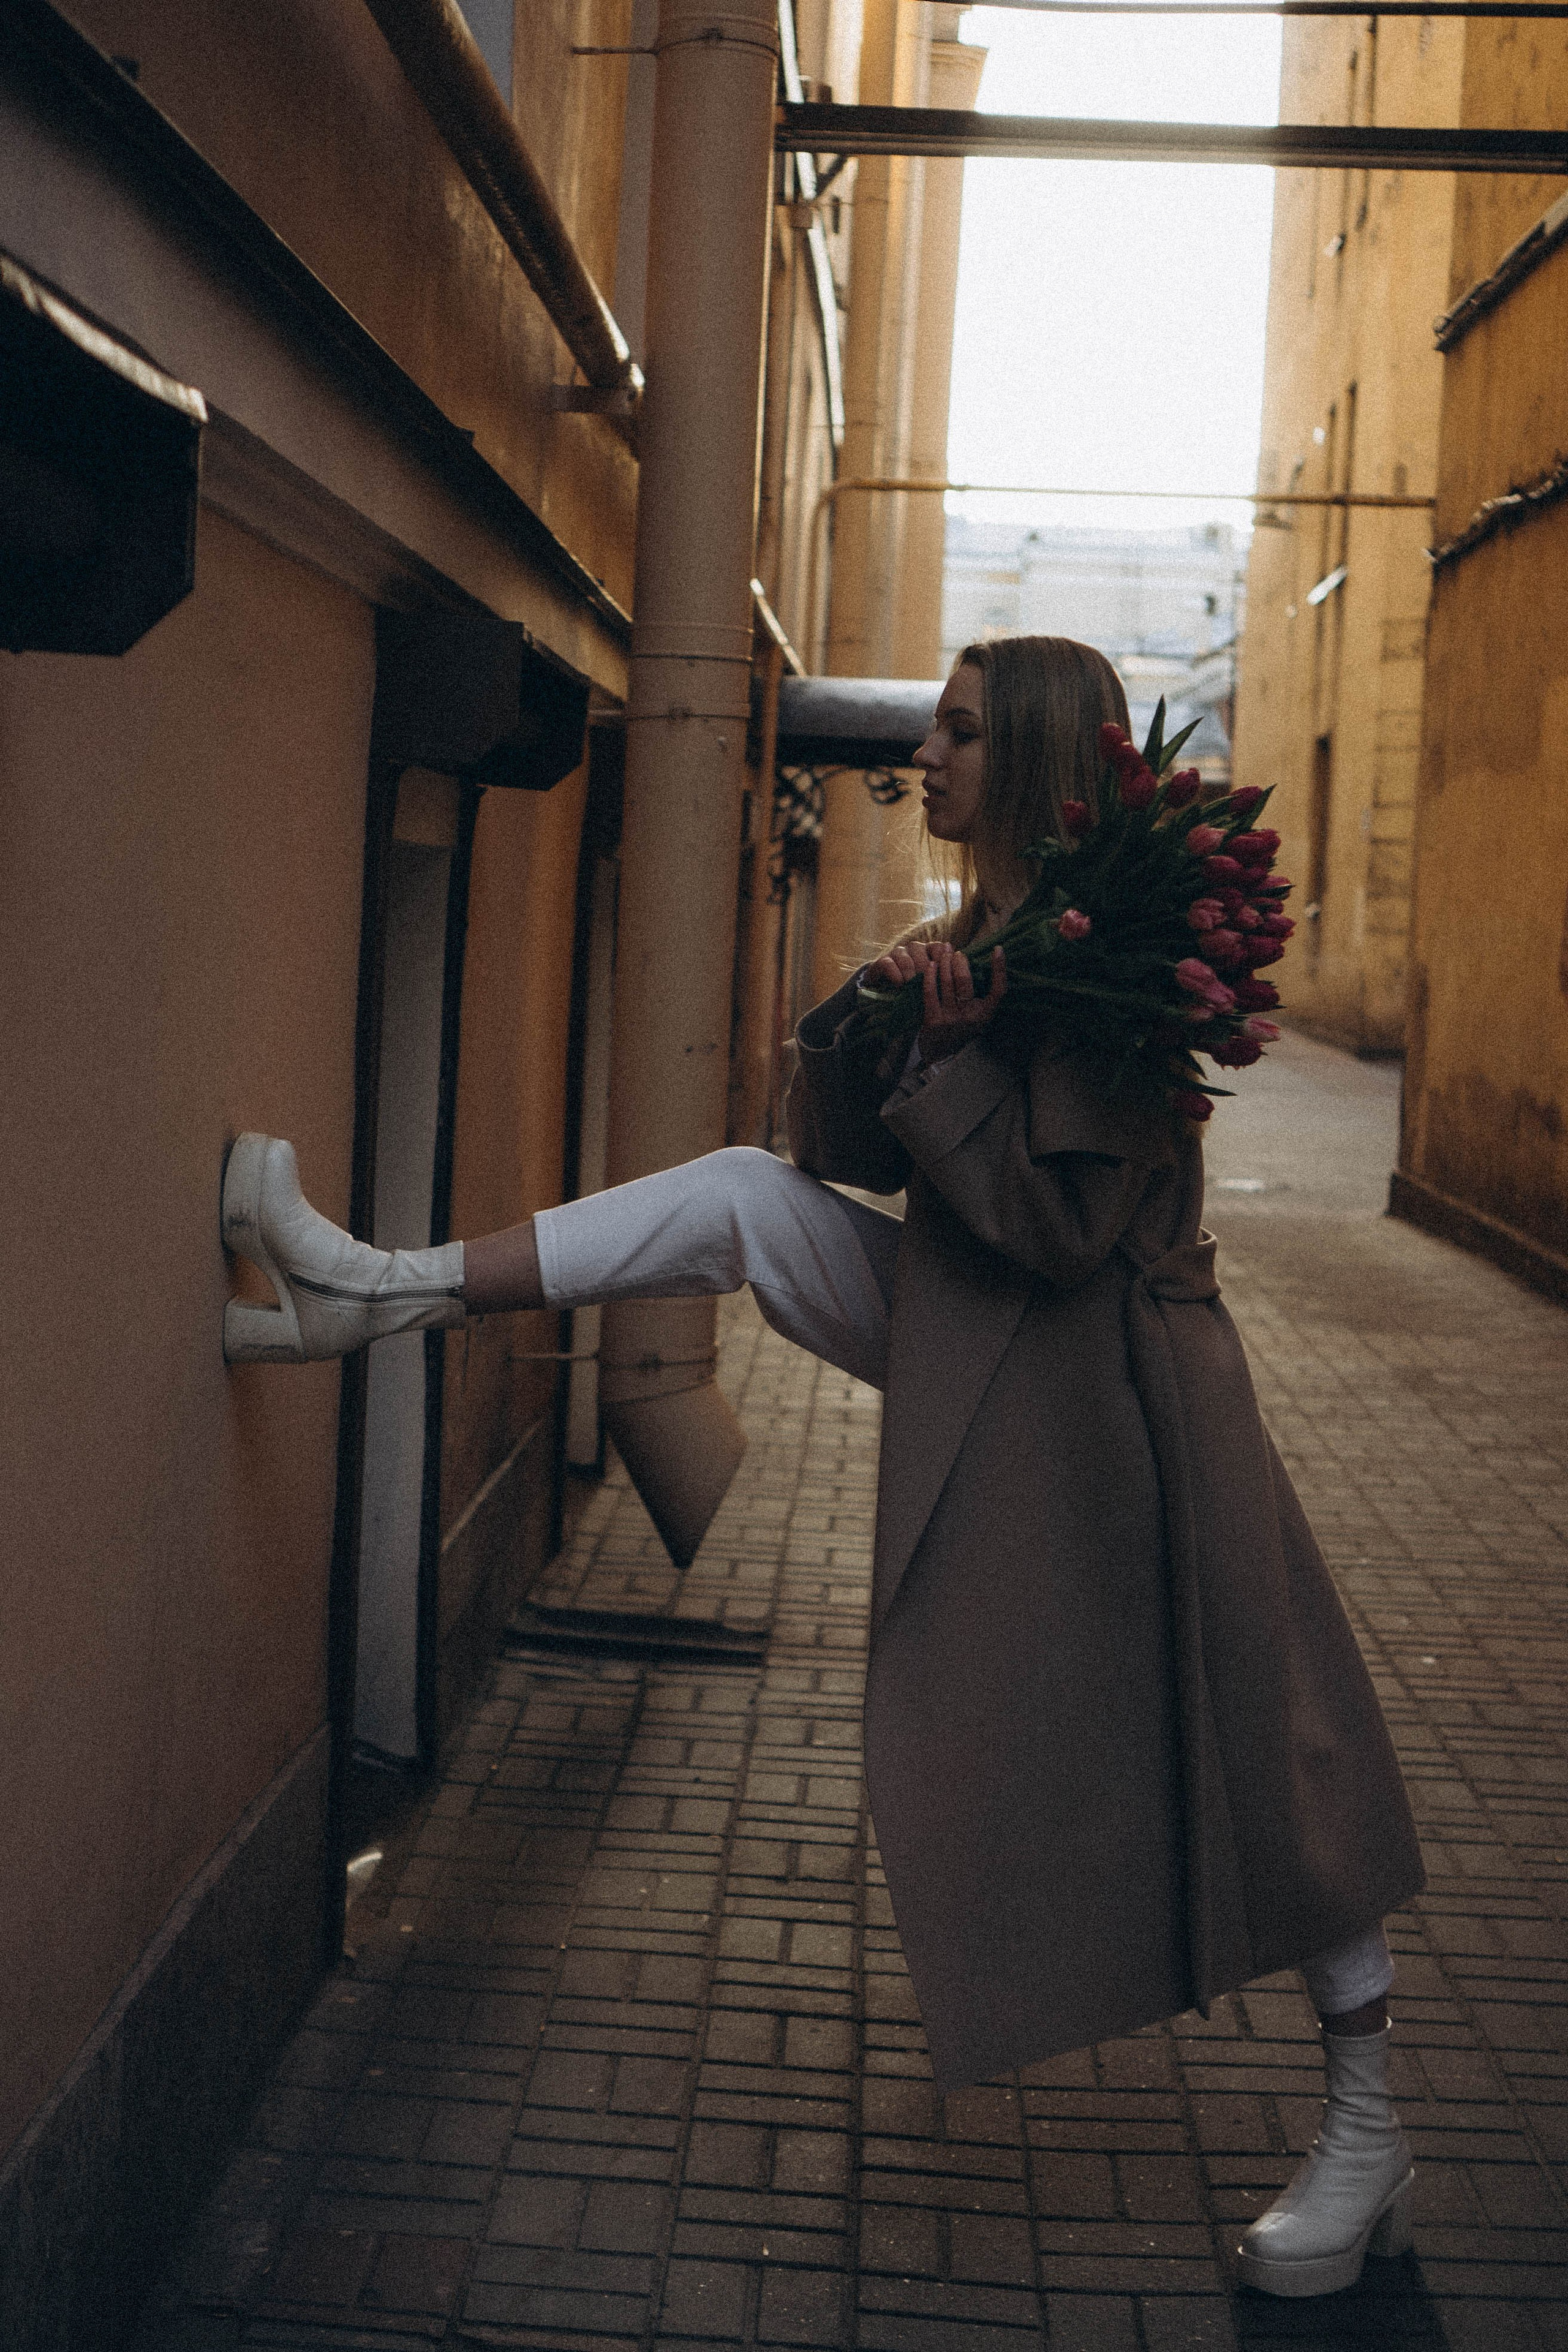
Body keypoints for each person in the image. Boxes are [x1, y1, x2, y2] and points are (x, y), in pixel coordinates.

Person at [222, 635, 1425, 2300]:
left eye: (963, 732)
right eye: (932, 726)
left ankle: (1368, 2130)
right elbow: (833, 1160)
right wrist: (891, 1021)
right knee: (734, 1196)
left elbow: (1059, 1228)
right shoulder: (1000, 949)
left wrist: (951, 1053)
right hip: (996, 1346)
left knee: (1272, 1753)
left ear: (1039, 764)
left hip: (1128, 1404)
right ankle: (384, 1289)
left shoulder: (1117, 973)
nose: (925, 755)